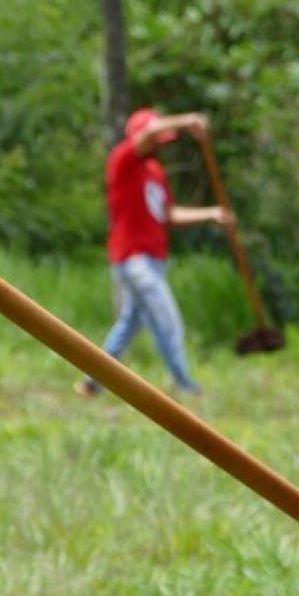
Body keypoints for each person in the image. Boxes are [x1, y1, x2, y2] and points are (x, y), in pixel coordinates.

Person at [75, 108, 232, 397]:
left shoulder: (155, 172)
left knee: (129, 323)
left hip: (154, 259)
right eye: (159, 137)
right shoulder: (123, 160)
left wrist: (212, 214)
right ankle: (184, 383)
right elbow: (148, 134)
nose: (162, 143)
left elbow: (168, 214)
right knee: (166, 318)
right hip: (133, 258)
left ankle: (91, 382)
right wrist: (187, 121)